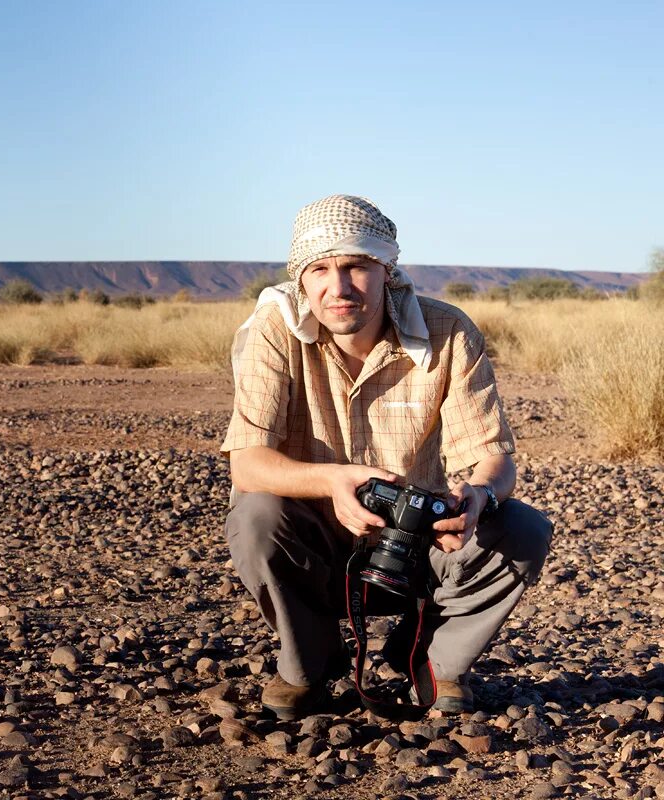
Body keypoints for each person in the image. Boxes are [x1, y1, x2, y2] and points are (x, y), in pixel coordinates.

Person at [221, 194, 552, 719]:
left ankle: (432, 661)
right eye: (320, 269)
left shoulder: (447, 331)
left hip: (419, 547)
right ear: (301, 278)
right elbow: (247, 464)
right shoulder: (275, 329)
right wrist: (333, 482)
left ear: (386, 270)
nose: (339, 287)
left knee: (521, 528)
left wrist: (479, 495)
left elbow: (493, 457)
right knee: (257, 515)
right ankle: (308, 665)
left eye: (357, 266)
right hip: (315, 551)